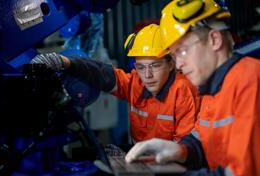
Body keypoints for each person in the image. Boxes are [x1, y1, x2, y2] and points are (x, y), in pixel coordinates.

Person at [121, 0, 260, 176]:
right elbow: (205, 139)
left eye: (182, 51)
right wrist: (181, 150)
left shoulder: (250, 80)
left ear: (214, 40)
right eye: (174, 54)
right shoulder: (212, 88)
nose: (178, 65)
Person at [31, 24, 200, 146]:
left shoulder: (183, 90)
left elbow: (184, 146)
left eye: (155, 66)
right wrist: (65, 62)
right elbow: (104, 74)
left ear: (171, 64)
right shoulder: (136, 83)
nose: (147, 75)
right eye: (141, 67)